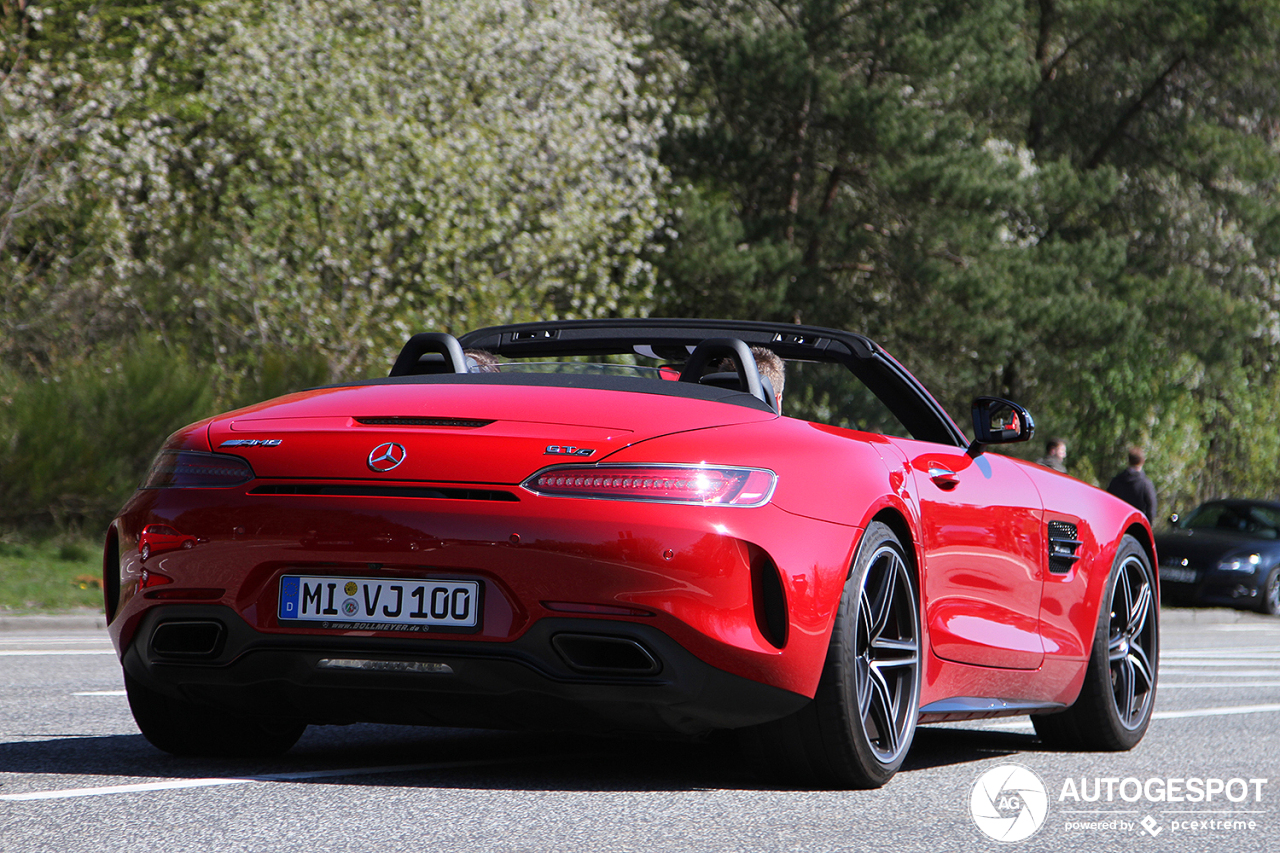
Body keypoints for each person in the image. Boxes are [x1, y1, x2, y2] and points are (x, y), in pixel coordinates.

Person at [1107, 446, 1157, 521]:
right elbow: (1151, 508)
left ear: (1129, 460)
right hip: (1137, 527)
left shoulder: (1116, 481)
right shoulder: (1145, 484)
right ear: (1143, 461)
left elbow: (1108, 503)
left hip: (1118, 524)